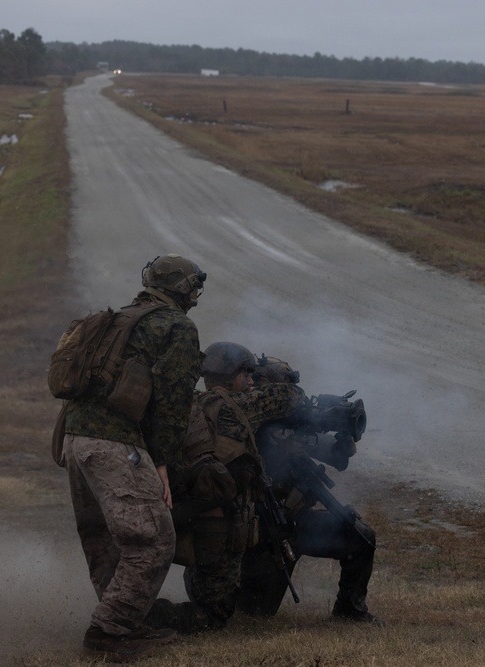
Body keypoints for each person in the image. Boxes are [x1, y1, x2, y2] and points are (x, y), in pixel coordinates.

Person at [62, 253, 206, 660]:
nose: (197, 293)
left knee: (104, 539)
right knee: (154, 541)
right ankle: (109, 631)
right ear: (182, 289)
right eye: (194, 285)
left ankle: (124, 617)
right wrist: (162, 461)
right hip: (115, 446)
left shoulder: (122, 318)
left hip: (76, 441)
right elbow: (174, 403)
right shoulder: (177, 326)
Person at [146, 342, 308, 635]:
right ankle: (147, 616)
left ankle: (139, 608)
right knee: (213, 615)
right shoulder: (242, 405)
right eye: (246, 374)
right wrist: (272, 378)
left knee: (206, 588)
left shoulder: (188, 403)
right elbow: (292, 397)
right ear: (232, 376)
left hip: (188, 516)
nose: (250, 381)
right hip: (221, 525)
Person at [237, 355, 381, 624]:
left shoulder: (292, 430)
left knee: (360, 537)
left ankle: (350, 610)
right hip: (261, 530)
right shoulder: (244, 425)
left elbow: (337, 458)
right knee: (255, 610)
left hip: (295, 523)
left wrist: (343, 436)